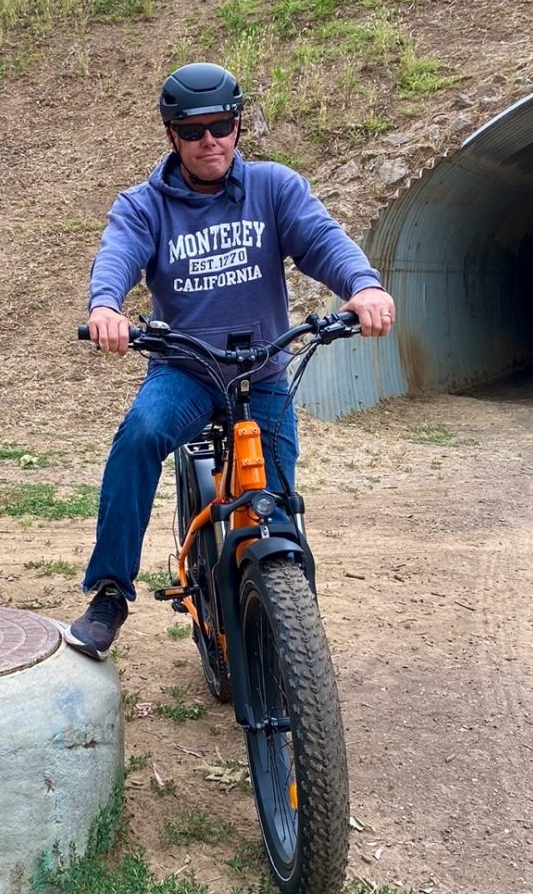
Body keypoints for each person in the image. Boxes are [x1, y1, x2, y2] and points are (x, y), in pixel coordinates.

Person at [69, 62, 397, 660]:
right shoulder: (146, 206)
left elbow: (321, 240)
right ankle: (111, 592)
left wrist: (364, 286)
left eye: (221, 125)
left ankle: (287, 619)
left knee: (276, 509)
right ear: (171, 136)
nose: (209, 140)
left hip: (264, 372)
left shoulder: (274, 188)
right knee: (140, 436)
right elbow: (116, 255)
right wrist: (105, 306)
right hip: (186, 373)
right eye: (193, 131)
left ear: (238, 126)